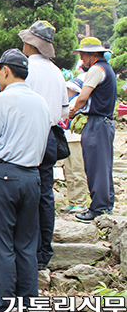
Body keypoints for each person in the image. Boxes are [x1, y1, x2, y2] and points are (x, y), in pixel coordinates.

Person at [0, 49, 51, 312]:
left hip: (4, 174)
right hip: (32, 178)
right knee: (25, 244)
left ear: (6, 71)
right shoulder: (41, 102)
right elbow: (43, 146)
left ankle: (5, 309)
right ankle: (28, 310)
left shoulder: (2, 100)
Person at [19, 20, 68, 271]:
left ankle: (26, 249)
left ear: (30, 43)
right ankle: (43, 251)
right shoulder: (56, 72)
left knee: (26, 193)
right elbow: (63, 110)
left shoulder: (27, 69)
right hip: (50, 135)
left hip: (28, 136)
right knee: (45, 195)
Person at [69, 37, 116, 222]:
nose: (81, 60)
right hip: (104, 123)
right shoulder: (107, 69)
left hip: (96, 123)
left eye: (82, 55)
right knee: (103, 166)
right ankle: (106, 205)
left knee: (96, 166)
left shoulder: (96, 69)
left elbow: (83, 97)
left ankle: (98, 207)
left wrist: (73, 110)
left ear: (92, 54)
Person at [60, 77, 89, 213]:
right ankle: (72, 201)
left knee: (77, 170)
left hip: (76, 138)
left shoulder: (77, 101)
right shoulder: (69, 101)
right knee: (69, 171)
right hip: (68, 137)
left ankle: (80, 201)